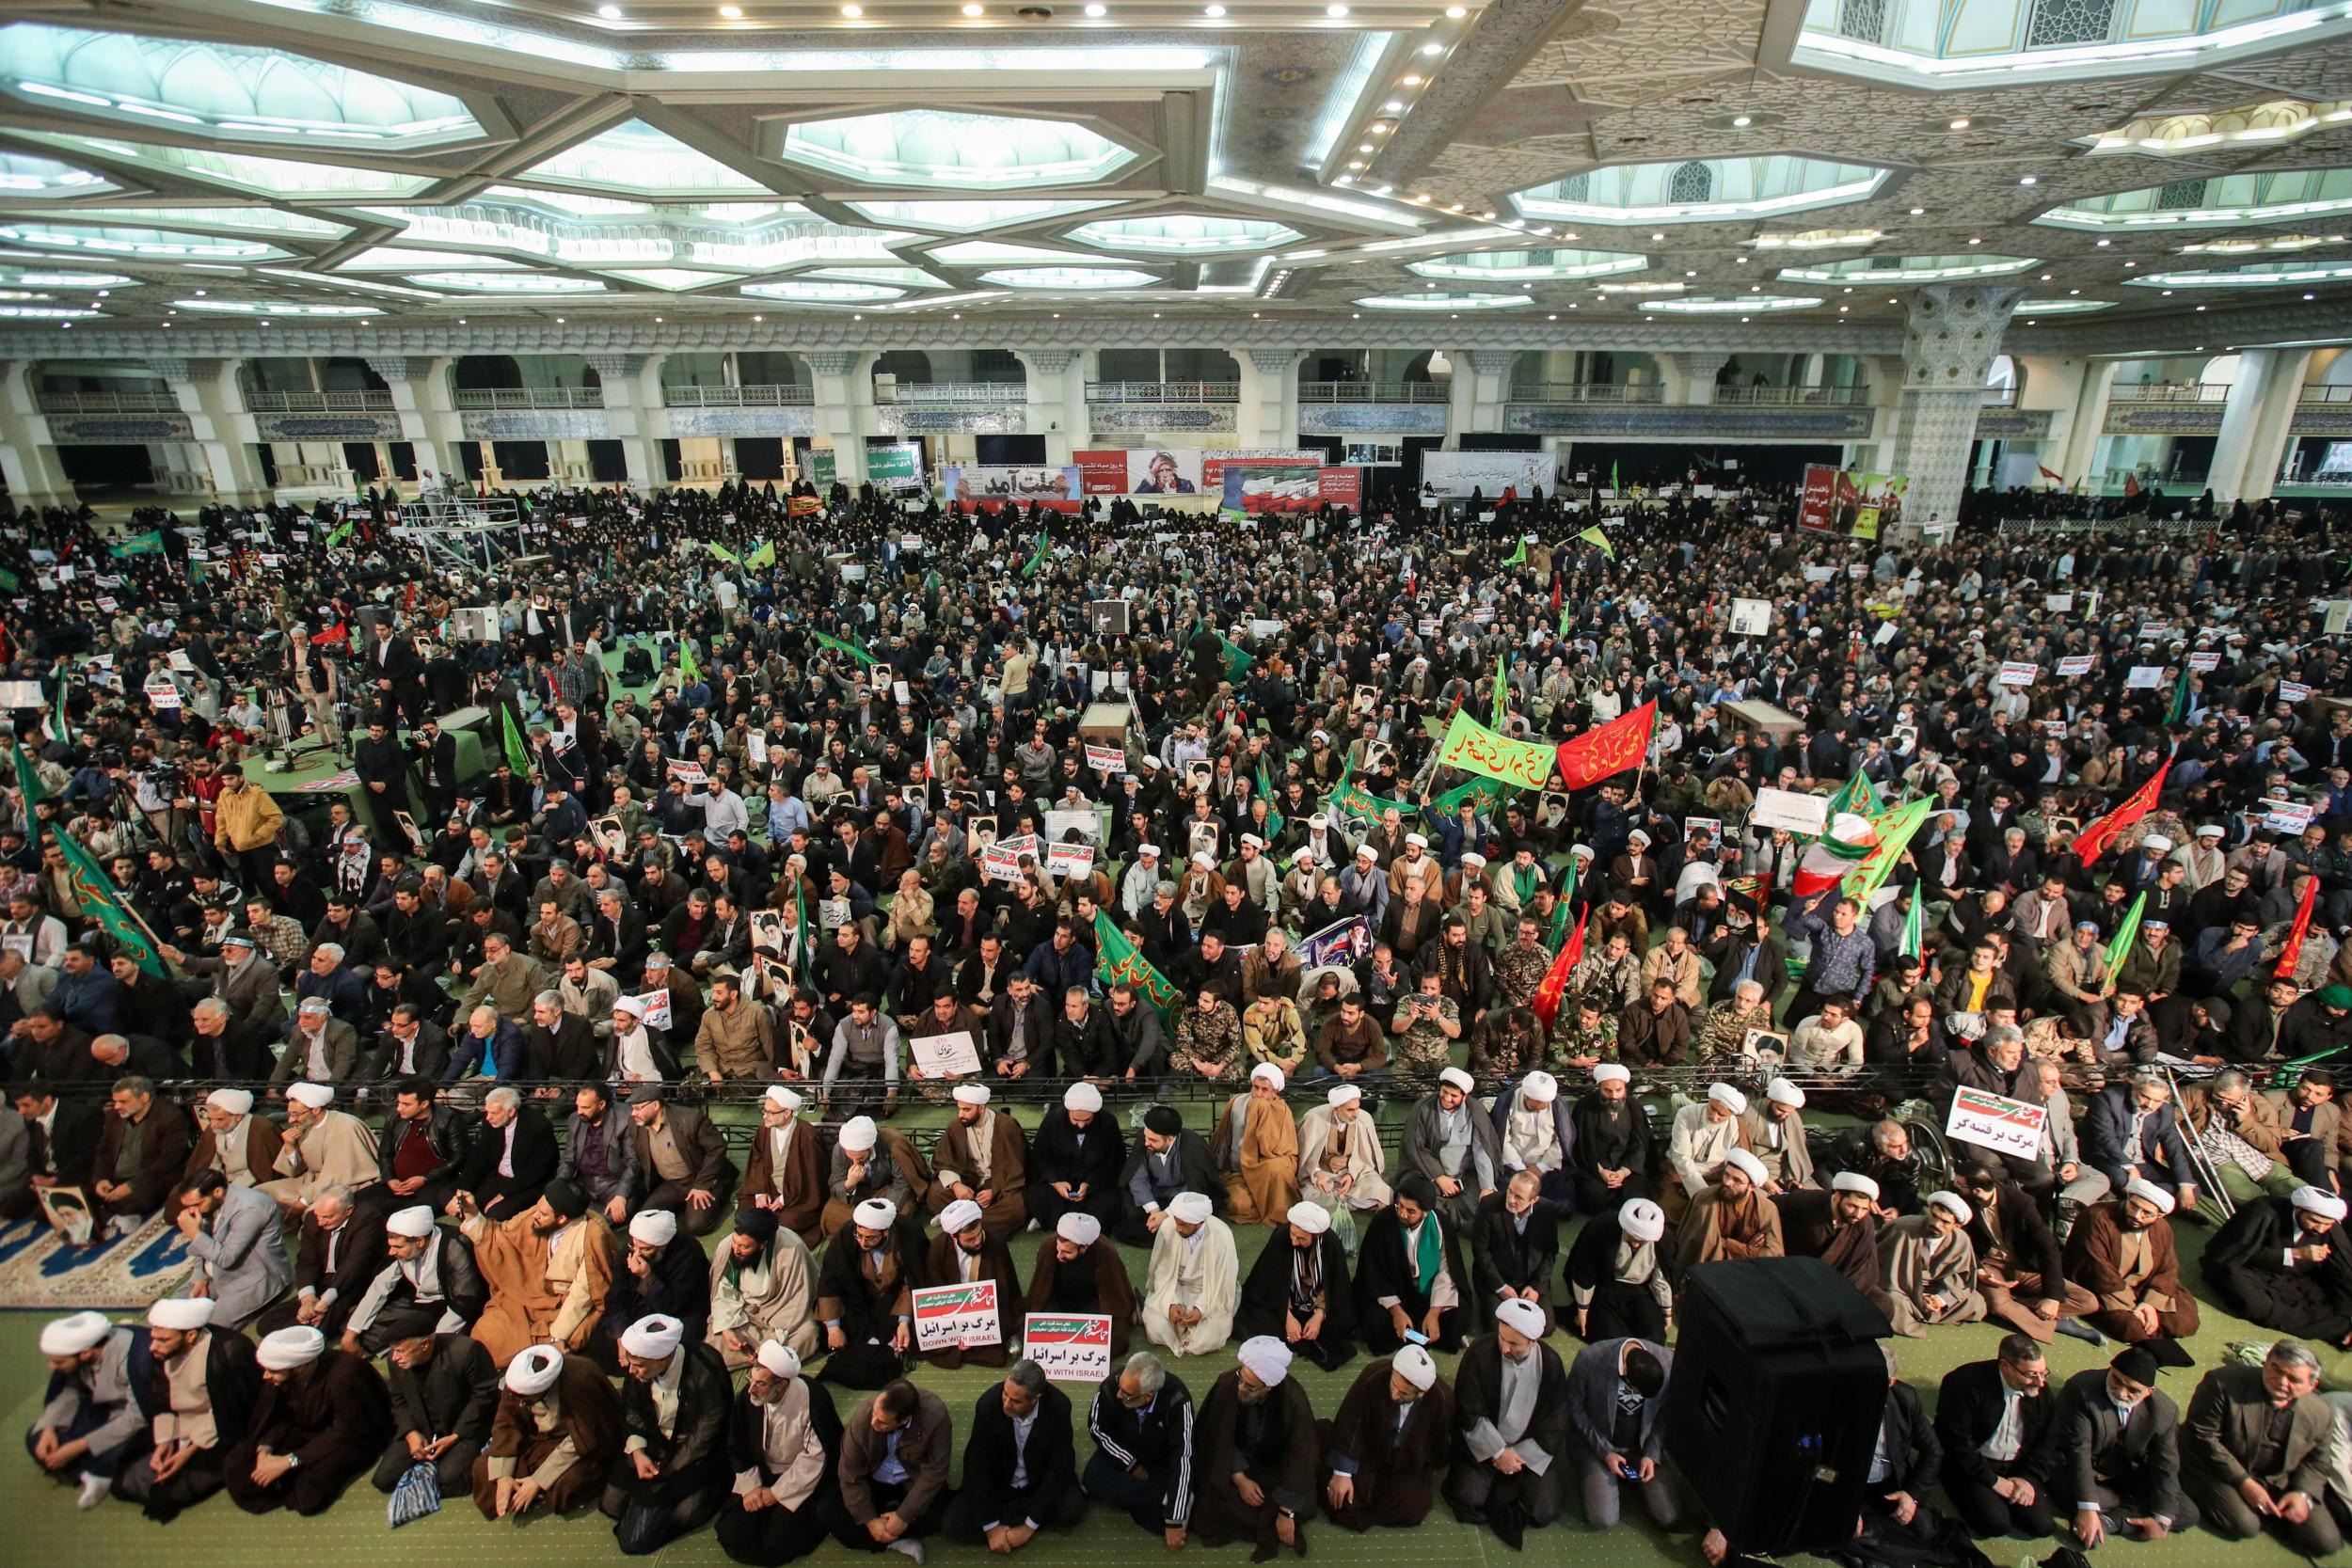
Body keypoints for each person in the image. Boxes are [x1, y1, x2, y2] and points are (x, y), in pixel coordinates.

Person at [2182, 1340, 2340, 1555]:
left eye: (2294, 1379)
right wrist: (2243, 1482)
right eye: (2276, 1369)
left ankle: (2275, 1510)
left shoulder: (2321, 1413)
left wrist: (2301, 1493)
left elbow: (2318, 1461)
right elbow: (2202, 1436)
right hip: (2222, 1468)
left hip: (2280, 1479)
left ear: (2313, 1386)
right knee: (2245, 1525)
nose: (2281, 1382)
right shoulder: (2223, 1382)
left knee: (2325, 1542)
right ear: (2265, 1363)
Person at [221, 1324, 394, 1516]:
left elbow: (349, 1430)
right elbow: (280, 1416)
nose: (265, 1376)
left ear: (300, 1367)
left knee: (309, 1493)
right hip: (306, 1427)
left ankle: (288, 1480)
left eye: (272, 1370)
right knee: (237, 1467)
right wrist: (265, 1449)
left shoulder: (345, 1375)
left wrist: (290, 1461)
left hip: (352, 1436)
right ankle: (283, 1478)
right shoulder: (282, 1378)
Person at [1445, 1297, 1570, 1546]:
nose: (1504, 1347)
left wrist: (1518, 1455)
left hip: (1528, 1450)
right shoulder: (1479, 1353)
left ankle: (1510, 1480)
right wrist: (1498, 1452)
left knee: (1544, 1509)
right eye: (1502, 1338)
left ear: (1534, 1342)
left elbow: (1555, 1420)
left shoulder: (1551, 1364)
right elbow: (1469, 1410)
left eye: (1514, 1343)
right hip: (1484, 1445)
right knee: (1469, 1496)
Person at [605, 1312, 734, 1554]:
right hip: (654, 1443)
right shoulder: (639, 1368)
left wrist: (668, 1470)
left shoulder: (705, 1369)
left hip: (694, 1454)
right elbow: (633, 1410)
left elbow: (706, 1433)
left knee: (658, 1528)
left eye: (639, 1365)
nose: (631, 1370)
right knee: (613, 1504)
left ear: (663, 1359)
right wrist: (638, 1451)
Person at [459, 1177, 615, 1368]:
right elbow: (501, 1235)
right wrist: (473, 1213)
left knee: (560, 1341)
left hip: (563, 1304)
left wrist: (557, 1335)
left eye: (543, 1214)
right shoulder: (537, 1214)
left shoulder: (591, 1235)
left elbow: (584, 1293)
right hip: (525, 1293)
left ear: (561, 1219)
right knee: (487, 1336)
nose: (535, 1215)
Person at [2050, 1344, 2196, 1547]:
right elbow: (2078, 1451)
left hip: (2126, 1475)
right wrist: (2088, 1507)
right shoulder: (2081, 1389)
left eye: (2133, 1390)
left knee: (2186, 1511)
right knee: (2075, 1495)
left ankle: (2110, 1522)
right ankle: (2108, 1513)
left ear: (2149, 1392)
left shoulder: (2165, 1411)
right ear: (2109, 1370)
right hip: (2079, 1469)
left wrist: (2162, 1520)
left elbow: (2166, 1464)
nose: (2120, 1392)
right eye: (2115, 1380)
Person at [715, 1340, 845, 1567]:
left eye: (761, 1384)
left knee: (779, 1540)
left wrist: (776, 1493)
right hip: (760, 1472)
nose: (751, 1389)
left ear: (782, 1384)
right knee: (735, 1532)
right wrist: (752, 1488)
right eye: (751, 1380)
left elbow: (816, 1457)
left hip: (799, 1479)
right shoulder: (749, 1398)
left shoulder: (812, 1399)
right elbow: (739, 1444)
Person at [1189, 1337, 1318, 1554]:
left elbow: (1300, 1454)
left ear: (1268, 1387)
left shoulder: (1294, 1400)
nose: (1241, 1387)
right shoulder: (1228, 1383)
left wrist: (1286, 1512)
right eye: (1241, 1378)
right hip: (1235, 1462)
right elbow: (1216, 1436)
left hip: (1275, 1464)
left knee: (1305, 1502)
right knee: (1208, 1506)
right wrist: (1239, 1479)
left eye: (1250, 1386)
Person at [942, 1360, 1086, 1548]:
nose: (1006, 1405)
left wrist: (1028, 1528)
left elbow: (1059, 1464)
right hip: (1000, 1485)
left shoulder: (1059, 1406)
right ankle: (1013, 1524)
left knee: (1072, 1509)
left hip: (1036, 1483)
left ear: (1035, 1399)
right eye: (1005, 1394)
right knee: (953, 1524)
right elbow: (976, 1464)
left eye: (1016, 1401)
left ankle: (1023, 1521)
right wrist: (992, 1528)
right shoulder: (988, 1405)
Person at [473, 1342, 622, 1522]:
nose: (521, 1401)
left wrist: (539, 1480)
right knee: (483, 1469)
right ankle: (523, 1492)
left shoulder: (580, 1375)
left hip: (579, 1443)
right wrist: (503, 1476)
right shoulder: (517, 1384)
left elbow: (588, 1434)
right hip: (538, 1439)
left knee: (567, 1485)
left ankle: (533, 1492)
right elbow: (507, 1423)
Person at [1317, 1344, 1454, 1530]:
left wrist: (1428, 1466)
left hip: (1405, 1462)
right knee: (1341, 1496)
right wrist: (1342, 1474)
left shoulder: (1442, 1400)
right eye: (1393, 1385)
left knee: (1413, 1509)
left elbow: (1439, 1443)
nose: (1394, 1394)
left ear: (1421, 1394)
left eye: (1404, 1393)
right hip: (1368, 1451)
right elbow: (1351, 1421)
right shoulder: (1374, 1375)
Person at [1935, 1333, 2058, 1539]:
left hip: (2017, 1466)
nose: (2040, 1382)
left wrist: (2028, 1478)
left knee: (2042, 1526)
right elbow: (1957, 1441)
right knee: (1995, 1524)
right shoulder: (1965, 1384)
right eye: (2030, 1375)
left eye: (2043, 1373)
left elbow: (2048, 1439)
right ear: (2005, 1366)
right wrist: (1993, 1481)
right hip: (1972, 1465)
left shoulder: (2038, 1390)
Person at [2064, 1179, 2200, 1360]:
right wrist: (2134, 1307)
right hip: (2104, 1287)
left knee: (2185, 1322)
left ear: (2160, 1216)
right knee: (2130, 1327)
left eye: (2147, 1213)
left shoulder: (2162, 1229)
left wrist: (2150, 1304)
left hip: (2142, 1287)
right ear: (2128, 1198)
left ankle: (2150, 1326)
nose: (2137, 1215)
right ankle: (2150, 1329)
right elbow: (2097, 1268)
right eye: (2134, 1206)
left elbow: (2168, 1267)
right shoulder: (2097, 1217)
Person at [2200, 1183, 2352, 1343]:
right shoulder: (2262, 1210)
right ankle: (2330, 1328)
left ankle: (2337, 1325)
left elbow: (2342, 1269)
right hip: (2248, 1270)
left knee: (2335, 1302)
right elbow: (2232, 1252)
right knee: (2254, 1304)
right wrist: (2295, 1254)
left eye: (2327, 1224)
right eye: (2314, 1221)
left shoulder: (2330, 1228)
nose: (2320, 1229)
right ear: (2298, 1208)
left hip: (2292, 1280)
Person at [26, 1310, 143, 1509]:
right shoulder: (82, 1357)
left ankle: (97, 1471)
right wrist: (49, 1429)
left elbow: (137, 1416)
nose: (51, 1367)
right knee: (35, 1436)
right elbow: (69, 1390)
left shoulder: (133, 1358)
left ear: (86, 1352)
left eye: (58, 1362)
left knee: (135, 1446)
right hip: (106, 1409)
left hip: (138, 1416)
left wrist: (79, 1446)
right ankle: (92, 1470)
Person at [1566, 1334, 1684, 1529]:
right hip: (1600, 1445)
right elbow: (1574, 1408)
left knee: (1669, 1516)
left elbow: (1664, 1415)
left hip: (1641, 1446)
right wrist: (1605, 1452)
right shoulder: (1590, 1359)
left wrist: (1651, 1454)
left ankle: (1634, 1478)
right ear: (1626, 1373)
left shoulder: (1668, 1363)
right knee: (1603, 1519)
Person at [1080, 1350, 1196, 1544]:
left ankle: (1173, 1502)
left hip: (1160, 1457)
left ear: (1148, 1396)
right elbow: (1097, 1427)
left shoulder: (1178, 1400)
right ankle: (1164, 1497)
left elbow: (1184, 1455)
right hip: (1123, 1449)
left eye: (1126, 1394)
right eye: (1120, 1387)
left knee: (1164, 1523)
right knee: (1092, 1480)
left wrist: (1173, 1521)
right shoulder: (1112, 1385)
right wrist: (1131, 1464)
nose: (1118, 1395)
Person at [371, 1328, 501, 1501]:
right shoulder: (396, 1361)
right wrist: (410, 1433)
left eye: (401, 1351)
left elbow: (485, 1395)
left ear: (424, 1345)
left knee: (450, 1480)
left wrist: (455, 1436)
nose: (395, 1357)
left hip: (464, 1424)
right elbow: (399, 1399)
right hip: (422, 1425)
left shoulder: (465, 1351)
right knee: (383, 1480)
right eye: (393, 1351)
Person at [834, 1378, 955, 1560]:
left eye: (882, 1422)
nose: (874, 1422)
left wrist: (904, 1515)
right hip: (874, 1479)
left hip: (912, 1480)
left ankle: (889, 1532)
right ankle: (896, 1538)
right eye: (874, 1413)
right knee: (829, 1510)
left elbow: (936, 1471)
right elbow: (850, 1474)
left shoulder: (935, 1416)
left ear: (904, 1420)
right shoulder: (863, 1417)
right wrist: (870, 1520)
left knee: (946, 1515)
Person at [344, 1204, 487, 1355]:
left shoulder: (454, 1246)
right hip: (420, 1303)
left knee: (431, 1345)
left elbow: (465, 1300)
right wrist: (351, 1332)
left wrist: (435, 1341)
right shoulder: (404, 1250)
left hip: (452, 1305)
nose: (392, 1252)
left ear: (419, 1241)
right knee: (364, 1332)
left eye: (398, 1247)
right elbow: (381, 1285)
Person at [813, 1197, 927, 1388]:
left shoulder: (909, 1234)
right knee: (833, 1329)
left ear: (886, 1232)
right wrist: (833, 1328)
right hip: (859, 1299)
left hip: (895, 1299)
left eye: (871, 1238)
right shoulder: (847, 1235)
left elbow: (913, 1282)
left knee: (917, 1331)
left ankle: (892, 1343)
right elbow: (830, 1281)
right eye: (860, 1236)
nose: (863, 1242)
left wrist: (904, 1322)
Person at [1236, 1198, 1358, 1371]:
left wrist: (1319, 1315)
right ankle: (1298, 1334)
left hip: (1317, 1302)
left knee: (1342, 1321)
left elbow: (1336, 1287)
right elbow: (1268, 1281)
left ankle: (1301, 1334)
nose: (1294, 1241)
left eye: (1301, 1238)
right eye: (1293, 1234)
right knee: (1251, 1314)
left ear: (1316, 1236)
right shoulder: (1282, 1236)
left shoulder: (1331, 1244)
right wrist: (1287, 1317)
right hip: (1284, 1301)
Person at [1357, 1172, 1470, 1352]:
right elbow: (1373, 1272)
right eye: (1399, 1206)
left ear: (1425, 1212)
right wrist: (1396, 1312)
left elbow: (1447, 1271)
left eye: (1411, 1211)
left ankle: (1420, 1330)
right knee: (1375, 1321)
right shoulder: (1383, 1222)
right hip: (1394, 1293)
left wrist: (1434, 1313)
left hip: (1429, 1295)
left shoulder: (1441, 1225)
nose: (1402, 1213)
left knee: (1459, 1315)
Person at [257, 1184, 385, 1340]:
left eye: (328, 1217)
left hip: (353, 1284)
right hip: (322, 1281)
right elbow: (307, 1261)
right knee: (266, 1324)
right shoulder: (313, 1218)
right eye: (319, 1216)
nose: (321, 1222)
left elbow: (355, 1266)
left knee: (316, 1331)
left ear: (348, 1211)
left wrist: (323, 1304)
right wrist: (308, 1299)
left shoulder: (368, 1219)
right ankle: (305, 1323)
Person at [173, 1168, 293, 1328]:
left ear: (217, 1192)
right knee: (170, 1314)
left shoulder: (250, 1208)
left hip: (255, 1279)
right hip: (216, 1274)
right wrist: (200, 1277)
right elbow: (203, 1244)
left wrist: (193, 1233)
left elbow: (226, 1258)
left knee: (206, 1329)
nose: (192, 1211)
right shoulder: (209, 1205)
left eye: (196, 1204)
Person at [603, 1206, 713, 1370]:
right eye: (635, 1246)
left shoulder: (689, 1253)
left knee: (675, 1346)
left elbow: (672, 1305)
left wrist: (647, 1278)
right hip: (641, 1306)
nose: (637, 1253)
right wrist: (621, 1336)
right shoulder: (631, 1249)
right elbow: (617, 1294)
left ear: (663, 1245)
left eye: (646, 1249)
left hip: (680, 1310)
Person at [710, 1204, 819, 1369]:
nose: (736, 1250)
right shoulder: (728, 1247)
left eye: (745, 1247)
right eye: (735, 1242)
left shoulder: (790, 1249)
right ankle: (767, 1361)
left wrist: (775, 1340)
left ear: (762, 1245)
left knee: (808, 1334)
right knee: (715, 1341)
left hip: (784, 1316)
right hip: (746, 1313)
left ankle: (766, 1363)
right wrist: (727, 1327)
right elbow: (724, 1292)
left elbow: (797, 1299)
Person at [921, 1197, 1024, 1370]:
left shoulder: (995, 1242)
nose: (977, 1242)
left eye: (978, 1235)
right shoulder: (938, 1248)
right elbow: (937, 1294)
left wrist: (976, 1332)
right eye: (970, 1240)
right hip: (953, 1310)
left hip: (986, 1310)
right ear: (954, 1236)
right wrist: (956, 1332)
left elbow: (1005, 1292)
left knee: (998, 1356)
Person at [1773, 1171, 1891, 1321]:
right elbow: (1769, 1208)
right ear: (1837, 1196)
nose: (1858, 1213)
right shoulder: (1807, 1200)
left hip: (1836, 1282)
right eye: (1852, 1206)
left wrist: (1842, 1297)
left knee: (1882, 1304)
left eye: (1864, 1209)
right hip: (1794, 1272)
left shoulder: (1864, 1223)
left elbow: (1864, 1267)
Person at [1400, 1066, 1502, 1234]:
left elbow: (1481, 1150)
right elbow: (1415, 1147)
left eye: (1454, 1096)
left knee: (1484, 1211)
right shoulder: (1423, 1108)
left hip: (1465, 1176)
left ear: (1464, 1096)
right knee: (1420, 1204)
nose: (1446, 1098)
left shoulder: (1475, 1111)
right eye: (1444, 1092)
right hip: (1427, 1174)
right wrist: (1439, 1177)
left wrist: (1486, 1186)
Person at [626, 1085, 738, 1237]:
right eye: (632, 1108)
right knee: (646, 1220)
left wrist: (702, 1185)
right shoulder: (636, 1124)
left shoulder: (690, 1119)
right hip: (671, 1183)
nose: (633, 1114)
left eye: (638, 1108)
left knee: (696, 1226)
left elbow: (717, 1148)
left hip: (699, 1177)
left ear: (655, 1105)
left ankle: (720, 1193)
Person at [927, 1082, 1029, 1241]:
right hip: (970, 1181)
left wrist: (993, 1190)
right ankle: (974, 1220)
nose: (961, 1114)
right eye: (959, 1109)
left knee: (1015, 1207)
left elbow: (1016, 1167)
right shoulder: (957, 1126)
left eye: (966, 1109)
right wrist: (956, 1185)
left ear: (981, 1108)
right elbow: (943, 1160)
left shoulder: (1006, 1126)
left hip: (998, 1183)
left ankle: (961, 1219)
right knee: (936, 1193)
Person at [1879, 1190, 1988, 1337]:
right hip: (1902, 1289)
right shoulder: (1902, 1227)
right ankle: (1915, 1315)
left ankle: (1920, 1313)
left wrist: (1940, 1299)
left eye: (1945, 1222)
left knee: (1976, 1301)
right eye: (1934, 1216)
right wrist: (1918, 1295)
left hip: (1934, 1289)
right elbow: (1882, 1266)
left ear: (1957, 1226)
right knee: (1892, 1301)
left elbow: (1960, 1278)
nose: (1937, 1224)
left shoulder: (1961, 1240)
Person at [1565, 1195, 1674, 1341]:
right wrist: (1583, 1310)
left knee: (1656, 1335)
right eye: (1632, 1238)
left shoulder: (1663, 1240)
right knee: (1612, 1337)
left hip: (1641, 1291)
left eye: (1641, 1241)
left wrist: (1666, 1311)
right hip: (1605, 1287)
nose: (1635, 1245)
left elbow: (1661, 1279)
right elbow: (1586, 1270)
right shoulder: (1602, 1227)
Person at [90, 1072, 189, 1233]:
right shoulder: (113, 1117)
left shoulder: (171, 1117)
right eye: (115, 1101)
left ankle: (104, 1214)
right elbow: (104, 1151)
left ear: (144, 1097)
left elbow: (168, 1160)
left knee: (134, 1200)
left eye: (123, 1101)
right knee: (74, 1194)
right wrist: (101, 1179)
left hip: (151, 1179)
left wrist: (131, 1185)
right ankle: (115, 1218)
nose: (116, 1107)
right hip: (116, 1179)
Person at [1143, 1189, 1238, 1355]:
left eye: (1183, 1224)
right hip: (1175, 1287)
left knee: (1207, 1339)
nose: (1178, 1229)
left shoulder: (1222, 1235)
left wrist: (1201, 1309)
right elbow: (1162, 1272)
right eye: (1177, 1222)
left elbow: (1223, 1282)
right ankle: (1178, 1330)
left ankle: (1185, 1334)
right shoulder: (1168, 1227)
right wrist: (1171, 1303)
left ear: (1198, 1222)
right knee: (1154, 1325)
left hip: (1210, 1292)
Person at [1117, 1104, 1221, 1246]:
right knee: (1127, 1219)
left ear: (1170, 1140)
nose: (1146, 1142)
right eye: (1146, 1137)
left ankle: (1169, 1233)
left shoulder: (1193, 1146)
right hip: (1155, 1194)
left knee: (1192, 1215)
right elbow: (1137, 1178)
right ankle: (1170, 1234)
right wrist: (1154, 1210)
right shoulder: (1146, 1139)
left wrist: (1167, 1214)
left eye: (1153, 1140)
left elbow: (1196, 1186)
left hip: (1183, 1197)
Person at [1470, 1169, 1560, 1334]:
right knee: (1495, 1328)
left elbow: (1550, 1252)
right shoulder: (1488, 1206)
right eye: (1510, 1192)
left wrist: (1536, 1287)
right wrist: (1500, 1287)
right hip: (1497, 1277)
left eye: (1518, 1197)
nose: (1511, 1200)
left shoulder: (1547, 1210)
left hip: (1530, 1279)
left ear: (1534, 1200)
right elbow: (1480, 1251)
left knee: (1545, 1328)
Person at [1213, 1061, 1300, 1226]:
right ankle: (1260, 1198)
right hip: (1238, 1171)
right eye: (1256, 1087)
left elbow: (1284, 1151)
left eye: (1264, 1089)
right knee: (1240, 1206)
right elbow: (1224, 1138)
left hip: (1267, 1170)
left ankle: (1266, 1199)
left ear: (1274, 1092)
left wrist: (1262, 1113)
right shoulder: (1237, 1103)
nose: (1258, 1093)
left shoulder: (1282, 1110)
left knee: (1279, 1170)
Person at [1295, 1081, 1391, 1229]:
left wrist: (1351, 1175)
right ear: (1336, 1108)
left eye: (1357, 1108)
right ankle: (1350, 1200)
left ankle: (1344, 1199)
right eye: (1350, 1110)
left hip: (1356, 1171)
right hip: (1324, 1173)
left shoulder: (1364, 1118)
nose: (1356, 1114)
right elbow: (1306, 1155)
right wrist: (1318, 1173)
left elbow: (1367, 1158)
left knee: (1382, 1191)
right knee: (1312, 1197)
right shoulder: (1314, 1118)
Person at [1676, 1147, 1784, 1274]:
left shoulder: (1767, 1209)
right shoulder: (1705, 1200)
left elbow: (1773, 1254)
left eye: (1736, 1180)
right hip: (1710, 1272)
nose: (1727, 1182)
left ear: (1752, 1187)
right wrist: (1747, 1250)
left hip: (1749, 1273)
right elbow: (1704, 1246)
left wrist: (1725, 1243)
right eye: (1726, 1175)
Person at [1568, 1062, 1653, 1212]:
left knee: (1636, 1198)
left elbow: (1639, 1143)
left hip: (1627, 1166)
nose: (1614, 1096)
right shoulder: (1585, 1107)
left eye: (1618, 1090)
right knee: (1593, 1196)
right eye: (1608, 1091)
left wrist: (1623, 1172)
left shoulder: (1634, 1106)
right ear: (1599, 1088)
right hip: (1595, 1166)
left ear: (1625, 1089)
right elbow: (1582, 1146)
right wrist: (1601, 1171)